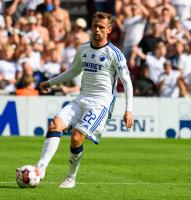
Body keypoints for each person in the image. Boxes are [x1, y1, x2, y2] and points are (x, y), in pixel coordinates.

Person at [33, 12, 133, 188]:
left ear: (109, 30)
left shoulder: (115, 54)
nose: (97, 30)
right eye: (95, 26)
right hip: (82, 98)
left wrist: (128, 110)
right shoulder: (83, 49)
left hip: (100, 103)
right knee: (55, 125)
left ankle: (70, 178)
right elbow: (73, 71)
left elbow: (127, 82)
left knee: (76, 137)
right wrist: (51, 82)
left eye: (102, 27)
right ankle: (40, 169)